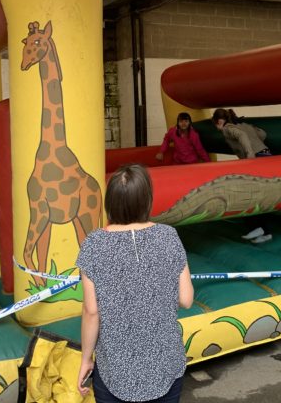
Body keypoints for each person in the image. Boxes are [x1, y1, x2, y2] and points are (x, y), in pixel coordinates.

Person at [76, 164, 193, 402]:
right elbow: (186, 299)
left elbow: (91, 311)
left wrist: (86, 359)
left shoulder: (94, 244)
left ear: (110, 201)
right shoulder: (169, 236)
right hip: (165, 365)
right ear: (147, 199)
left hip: (114, 370)